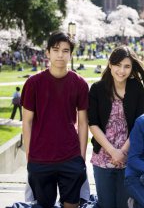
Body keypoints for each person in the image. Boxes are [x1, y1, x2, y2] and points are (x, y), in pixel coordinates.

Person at [21, 32, 88, 208]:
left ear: (70, 54)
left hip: (70, 157)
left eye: (65, 50)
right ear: (48, 52)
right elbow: (26, 122)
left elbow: (83, 123)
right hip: (40, 158)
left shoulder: (80, 83)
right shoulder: (33, 83)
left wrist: (80, 157)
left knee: (72, 205)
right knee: (43, 205)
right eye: (56, 49)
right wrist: (29, 155)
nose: (60, 54)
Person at [88, 46, 144, 208]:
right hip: (103, 156)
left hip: (129, 156)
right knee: (106, 204)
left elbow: (139, 124)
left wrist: (122, 152)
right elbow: (93, 124)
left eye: (127, 66)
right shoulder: (97, 89)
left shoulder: (137, 89)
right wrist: (113, 151)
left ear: (132, 69)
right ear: (110, 64)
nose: (121, 71)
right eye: (117, 65)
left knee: (126, 204)